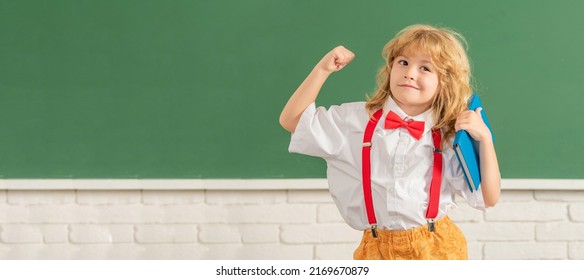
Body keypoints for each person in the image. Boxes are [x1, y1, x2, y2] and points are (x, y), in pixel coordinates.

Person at [279, 24, 501, 260]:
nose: (410, 73)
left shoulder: (450, 133)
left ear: (444, 82)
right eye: (403, 62)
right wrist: (322, 70)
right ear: (391, 67)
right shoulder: (354, 121)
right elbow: (291, 120)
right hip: (376, 249)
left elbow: (489, 197)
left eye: (425, 67)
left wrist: (485, 138)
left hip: (438, 249)